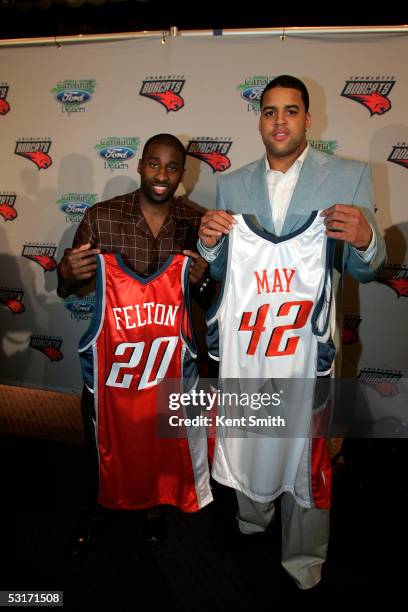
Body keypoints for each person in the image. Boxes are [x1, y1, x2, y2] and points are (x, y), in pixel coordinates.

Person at [198, 75, 386, 590]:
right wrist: (210, 245)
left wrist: (368, 239)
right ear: (259, 119)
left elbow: (367, 268)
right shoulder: (233, 183)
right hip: (253, 351)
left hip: (311, 350)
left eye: (291, 110)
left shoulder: (349, 176)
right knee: (254, 433)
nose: (279, 120)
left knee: (309, 451)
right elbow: (223, 273)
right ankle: (253, 517)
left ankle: (303, 557)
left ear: (308, 118)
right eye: (269, 111)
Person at [57, 133, 214, 552]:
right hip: (113, 369)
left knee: (162, 442)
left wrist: (203, 281)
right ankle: (101, 507)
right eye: (154, 164)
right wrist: (69, 271)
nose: (162, 175)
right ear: (140, 164)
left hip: (166, 366)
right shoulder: (102, 217)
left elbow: (210, 300)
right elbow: (65, 288)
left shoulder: (197, 223)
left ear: (183, 172)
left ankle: (152, 509)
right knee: (101, 445)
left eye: (172, 167)